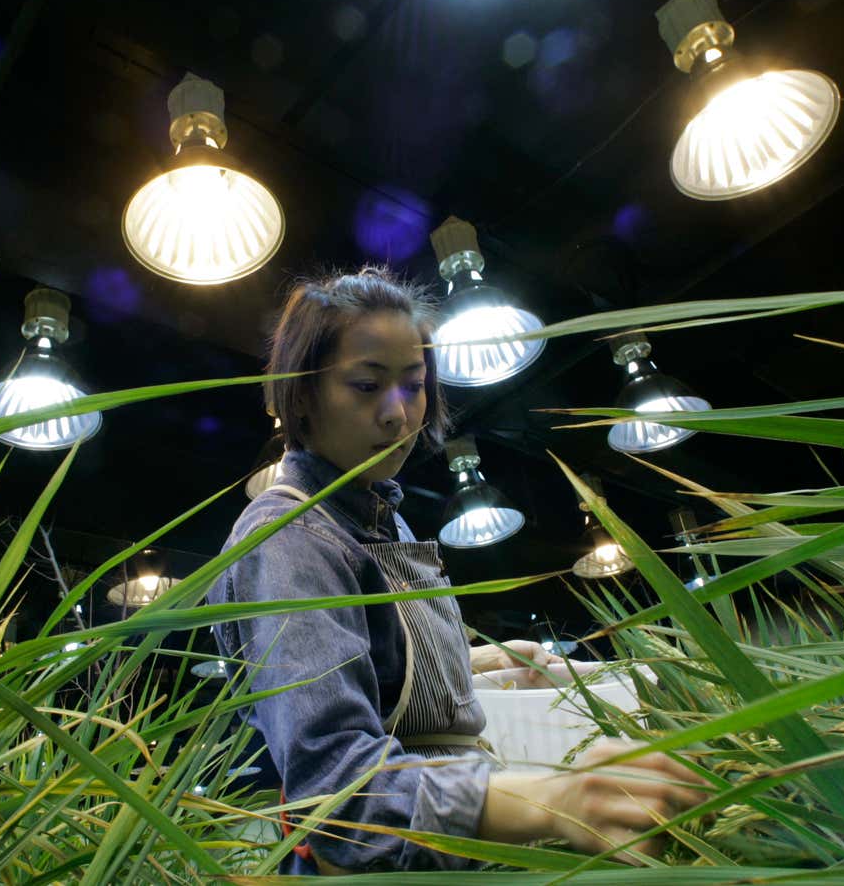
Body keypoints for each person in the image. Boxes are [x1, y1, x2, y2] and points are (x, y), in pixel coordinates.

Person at [207, 269, 702, 875]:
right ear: (304, 395)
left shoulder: (390, 521)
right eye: (366, 386)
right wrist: (557, 801)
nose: (398, 414)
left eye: (413, 385)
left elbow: (381, 674)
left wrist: (481, 667)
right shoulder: (288, 538)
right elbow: (338, 801)